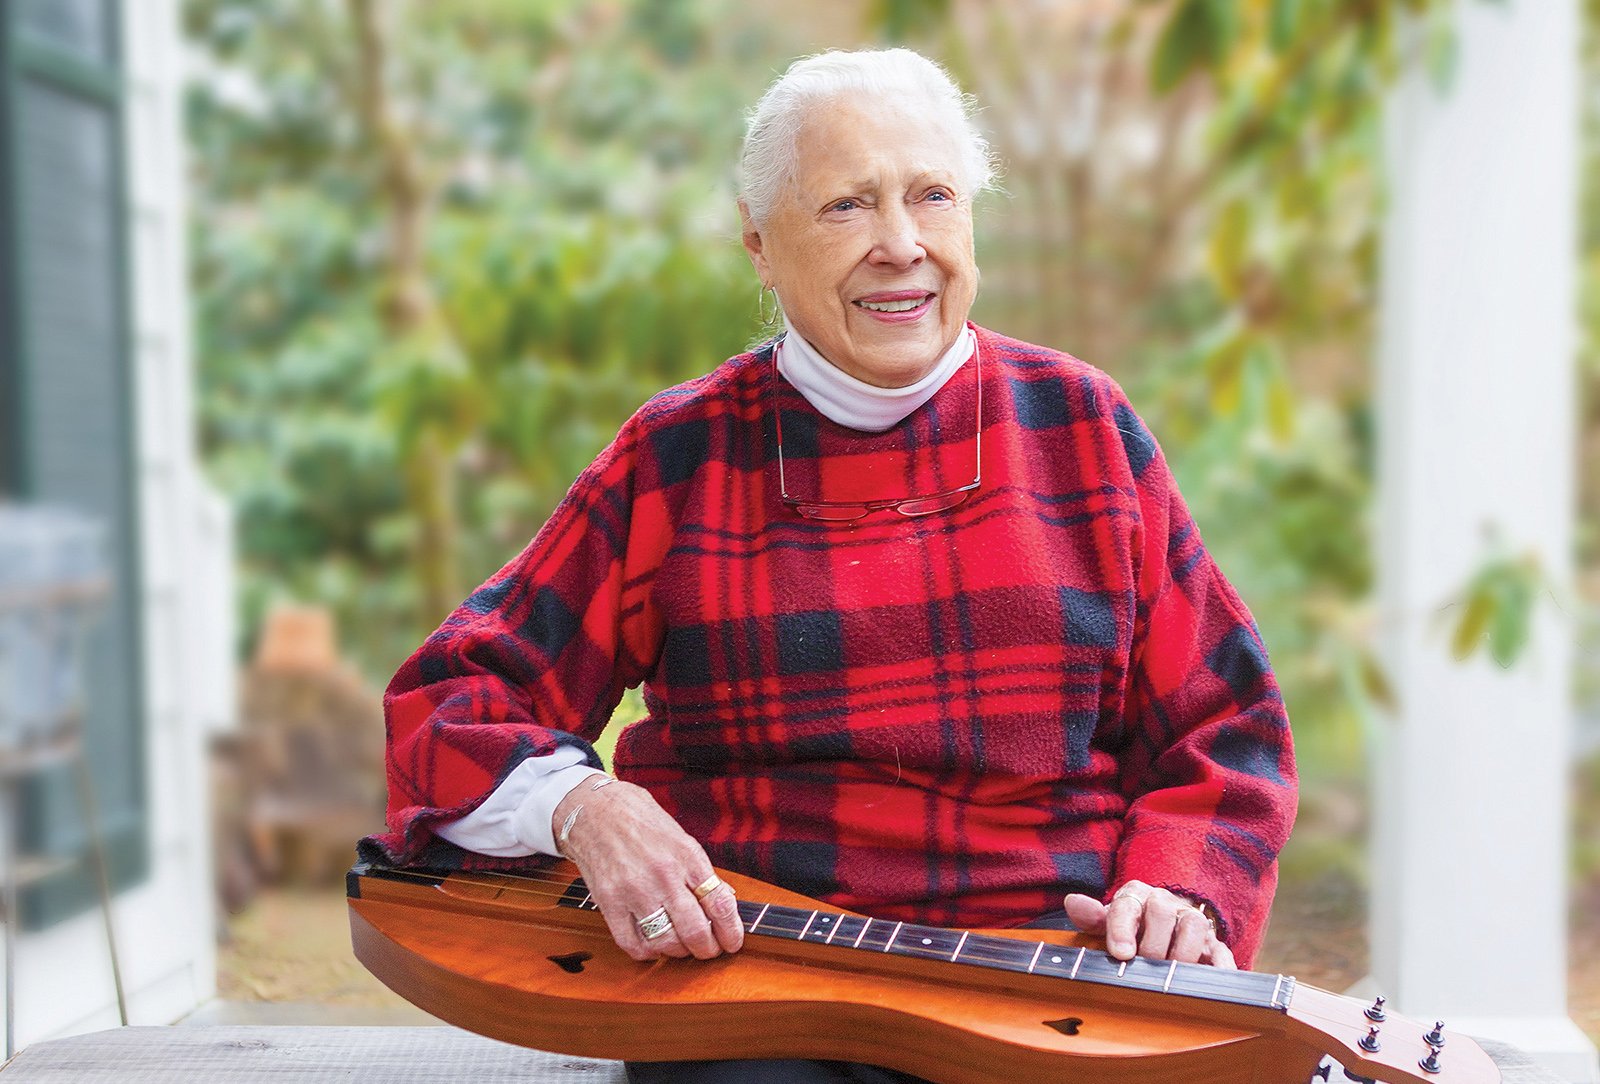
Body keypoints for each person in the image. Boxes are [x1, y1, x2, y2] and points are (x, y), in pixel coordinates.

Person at [363, 47, 1296, 1083]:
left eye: (931, 196)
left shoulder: (1083, 424)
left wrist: (1179, 886)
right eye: (847, 206)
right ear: (761, 248)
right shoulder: (679, 453)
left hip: (1044, 965)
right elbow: (449, 703)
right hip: (747, 969)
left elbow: (1228, 724)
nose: (901, 245)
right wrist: (585, 807)